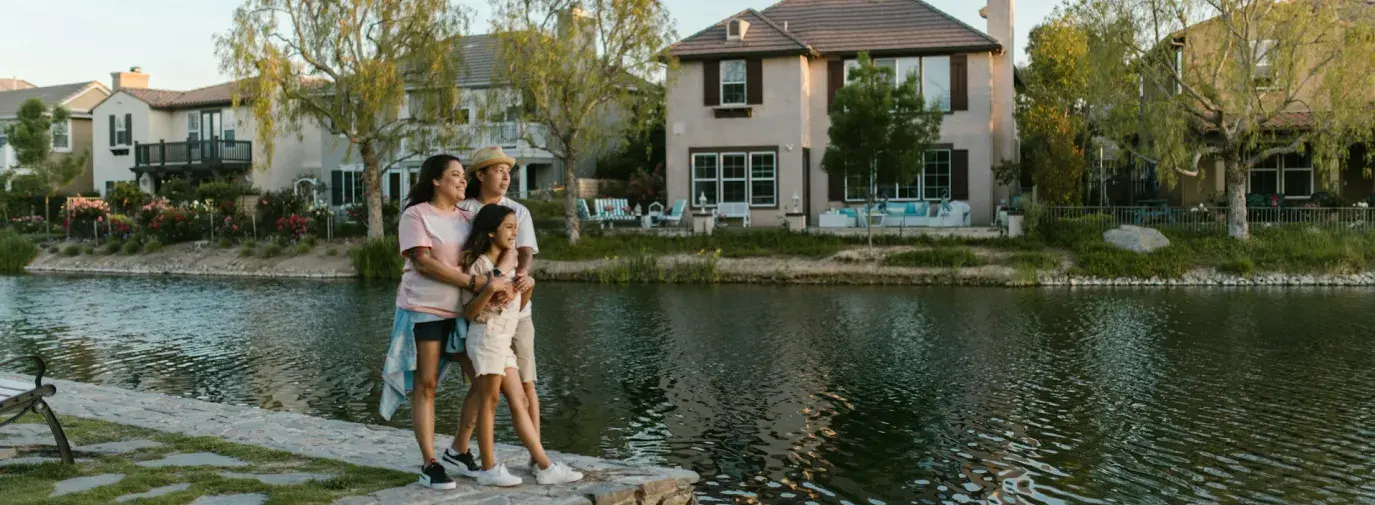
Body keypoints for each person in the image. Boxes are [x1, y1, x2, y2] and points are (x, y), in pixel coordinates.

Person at [379, 154, 508, 490]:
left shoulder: (468, 217)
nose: (462, 180)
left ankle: (458, 449)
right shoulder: (415, 215)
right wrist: (471, 283)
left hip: (464, 311)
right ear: (435, 180)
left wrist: (506, 281)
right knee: (427, 385)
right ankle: (430, 463)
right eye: (455, 175)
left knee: (483, 380)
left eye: (463, 176)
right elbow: (422, 262)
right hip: (425, 308)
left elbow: (492, 248)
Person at [458, 204, 582, 487]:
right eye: (509, 227)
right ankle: (489, 468)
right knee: (489, 401)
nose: (515, 232)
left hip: (504, 339)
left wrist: (529, 286)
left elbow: (517, 306)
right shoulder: (479, 266)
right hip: (486, 336)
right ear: (491, 233)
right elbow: (470, 313)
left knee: (521, 401)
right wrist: (489, 288)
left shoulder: (510, 265)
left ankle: (545, 465)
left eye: (516, 226)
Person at [445, 146, 542, 470]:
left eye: (508, 171)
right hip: (482, 316)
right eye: (497, 170)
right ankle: (464, 451)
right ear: (481, 175)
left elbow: (523, 252)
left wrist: (515, 280)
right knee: (485, 388)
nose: (505, 176)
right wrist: (491, 285)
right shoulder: (464, 210)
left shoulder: (518, 211)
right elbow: (465, 254)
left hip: (517, 312)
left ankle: (536, 456)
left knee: (526, 384)